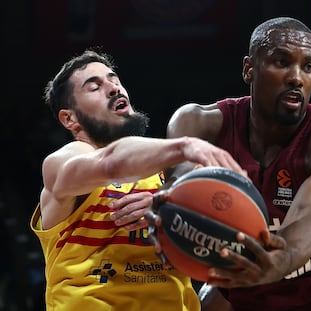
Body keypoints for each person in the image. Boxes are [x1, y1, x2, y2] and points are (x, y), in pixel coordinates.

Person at [146, 17, 311, 310]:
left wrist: (277, 261)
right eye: (282, 62)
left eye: (308, 67)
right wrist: (169, 215)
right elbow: (183, 191)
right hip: (250, 296)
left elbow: (308, 223)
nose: (297, 77)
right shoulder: (197, 124)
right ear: (249, 69)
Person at [29, 49, 246, 311]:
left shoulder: (168, 179)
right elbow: (110, 163)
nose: (113, 88)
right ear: (70, 118)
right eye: (94, 87)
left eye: (115, 80)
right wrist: (185, 146)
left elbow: (218, 249)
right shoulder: (64, 163)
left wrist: (170, 209)